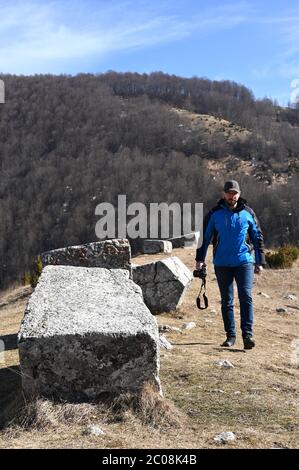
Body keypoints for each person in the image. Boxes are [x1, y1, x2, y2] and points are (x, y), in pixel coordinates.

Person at [195, 180, 265, 349]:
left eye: (235, 193)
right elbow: (204, 238)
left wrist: (259, 261)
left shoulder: (248, 213)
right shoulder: (214, 214)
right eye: (229, 193)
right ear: (223, 194)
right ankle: (230, 336)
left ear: (239, 194)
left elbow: (258, 237)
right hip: (222, 263)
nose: (232, 196)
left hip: (244, 262)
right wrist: (199, 260)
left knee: (246, 297)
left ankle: (247, 335)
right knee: (227, 300)